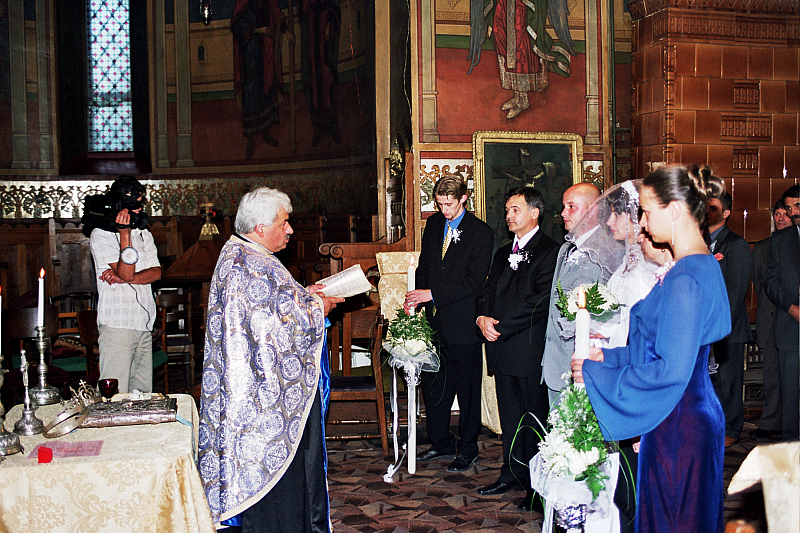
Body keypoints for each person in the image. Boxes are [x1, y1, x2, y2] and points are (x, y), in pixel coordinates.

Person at [572, 165, 731, 533]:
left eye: (646, 210)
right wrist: (607, 357)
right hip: (685, 412)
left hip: (678, 421)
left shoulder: (686, 278)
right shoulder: (699, 266)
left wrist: (598, 375)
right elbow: (665, 346)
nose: (641, 221)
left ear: (674, 209)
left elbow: (670, 370)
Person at [198, 187, 343, 531]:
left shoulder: (249, 255)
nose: (290, 229)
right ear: (261, 227)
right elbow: (266, 328)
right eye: (285, 222)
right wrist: (316, 309)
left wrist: (304, 297)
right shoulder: (244, 263)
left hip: (261, 389)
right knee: (276, 495)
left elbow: (269, 308)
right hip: (261, 398)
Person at [475, 186, 559, 511]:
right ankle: (511, 472)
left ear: (534, 212)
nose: (508, 216)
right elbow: (486, 292)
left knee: (534, 420)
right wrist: (481, 317)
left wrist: (501, 326)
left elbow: (539, 301)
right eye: (507, 210)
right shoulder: (500, 253)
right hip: (499, 347)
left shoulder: (550, 251)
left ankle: (538, 485)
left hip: (527, 348)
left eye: (515, 210)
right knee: (509, 417)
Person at [404, 175, 493, 473]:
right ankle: (440, 441)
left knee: (467, 390)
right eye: (440, 204)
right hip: (435, 321)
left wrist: (433, 294)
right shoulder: (432, 225)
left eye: (449, 204)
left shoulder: (481, 233)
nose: (444, 210)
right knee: (435, 386)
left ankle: (468, 448)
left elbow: (473, 282)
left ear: (464, 198)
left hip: (465, 322)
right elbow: (425, 266)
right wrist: (417, 296)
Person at [542, 182, 624, 403]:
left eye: (571, 207)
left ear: (593, 209)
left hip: (584, 363)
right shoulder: (566, 248)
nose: (563, 213)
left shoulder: (608, 250)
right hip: (557, 360)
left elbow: (611, 311)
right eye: (563, 206)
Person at [88, 175, 161, 394]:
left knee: (143, 396)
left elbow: (156, 273)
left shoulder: (145, 234)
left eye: (142, 204)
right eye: (135, 206)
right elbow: (128, 271)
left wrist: (125, 277)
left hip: (144, 324)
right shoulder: (100, 235)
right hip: (117, 324)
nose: (140, 211)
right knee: (115, 396)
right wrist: (124, 234)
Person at [706, 185, 752, 448]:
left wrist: (720, 327)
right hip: (704, 325)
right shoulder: (698, 242)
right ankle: (712, 425)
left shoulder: (736, 244)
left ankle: (732, 428)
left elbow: (736, 292)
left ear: (725, 213)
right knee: (710, 382)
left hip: (728, 327)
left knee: (729, 380)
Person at [750, 200, 792, 439]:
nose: (780, 219)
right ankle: (771, 422)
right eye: (776, 214)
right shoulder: (763, 248)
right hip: (771, 320)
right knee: (772, 377)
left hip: (792, 320)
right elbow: (759, 283)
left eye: (785, 214)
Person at [231, 0, 291, 159]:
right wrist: (258, 30)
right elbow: (236, 24)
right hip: (250, 54)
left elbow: (276, 14)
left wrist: (286, 30)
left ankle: (265, 133)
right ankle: (251, 139)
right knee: (251, 93)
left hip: (266, 52)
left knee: (267, 88)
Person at [763, 184, 800, 440]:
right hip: (791, 329)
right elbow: (771, 281)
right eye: (788, 207)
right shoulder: (780, 240)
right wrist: (791, 307)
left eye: (797, 206)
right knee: (791, 398)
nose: (791, 212)